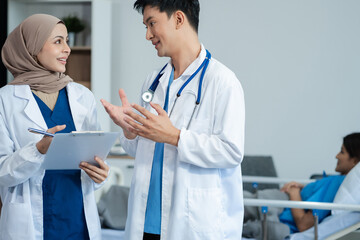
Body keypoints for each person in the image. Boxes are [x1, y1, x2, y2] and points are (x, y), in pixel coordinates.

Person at [101, 0, 245, 239]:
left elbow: (231, 151)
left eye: (152, 23)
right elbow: (141, 149)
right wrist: (129, 129)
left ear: (178, 19)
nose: (148, 35)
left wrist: (175, 137)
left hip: (190, 223)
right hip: (146, 222)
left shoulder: (222, 81)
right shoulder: (153, 82)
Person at [0, 14, 108, 239]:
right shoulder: (5, 99)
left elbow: (92, 162)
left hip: (78, 220)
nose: (67, 49)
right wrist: (38, 149)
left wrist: (98, 174)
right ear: (32, 47)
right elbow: (2, 173)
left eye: (67, 41)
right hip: (32, 223)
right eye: (58, 41)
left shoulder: (82, 96)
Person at [242, 132, 360, 239]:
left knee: (238, 201)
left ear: (354, 161)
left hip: (280, 213)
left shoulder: (337, 182)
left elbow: (304, 224)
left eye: (342, 152)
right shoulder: (338, 183)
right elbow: (319, 196)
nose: (337, 156)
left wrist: (294, 193)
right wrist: (303, 188)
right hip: (279, 213)